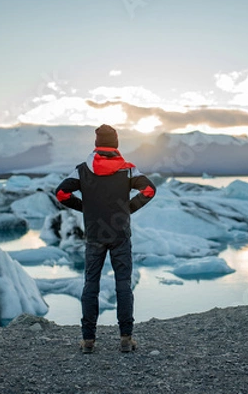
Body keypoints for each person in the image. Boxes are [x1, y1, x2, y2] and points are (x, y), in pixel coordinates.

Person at [55, 124, 156, 353]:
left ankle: (88, 341)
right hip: (120, 234)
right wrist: (127, 209)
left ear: (96, 143)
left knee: (91, 284)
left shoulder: (83, 169)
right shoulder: (128, 170)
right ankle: (126, 339)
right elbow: (149, 190)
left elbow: (61, 193)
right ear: (116, 143)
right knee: (123, 284)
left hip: (94, 235)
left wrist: (86, 209)